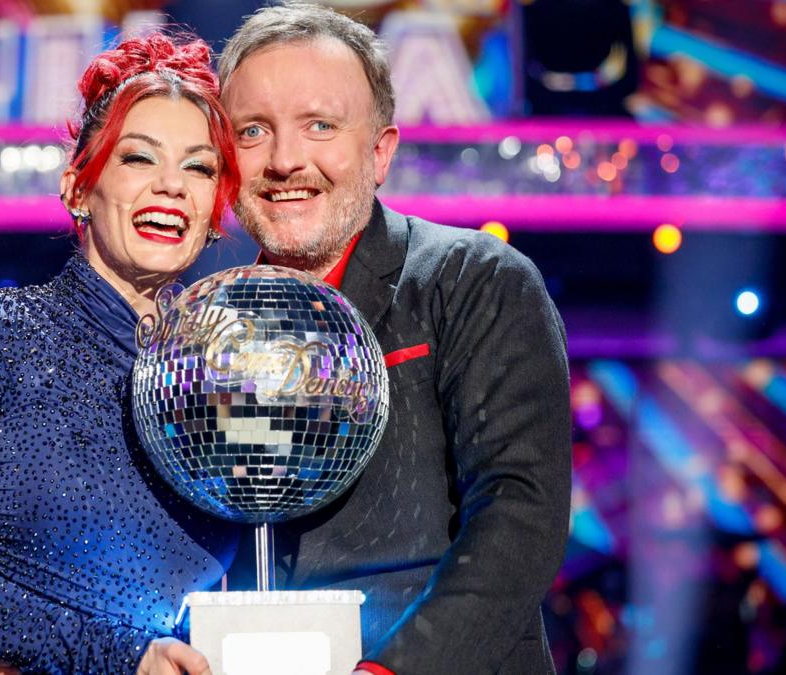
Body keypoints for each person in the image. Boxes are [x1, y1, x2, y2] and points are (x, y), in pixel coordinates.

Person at [215, 4, 572, 674]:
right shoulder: (207, 330)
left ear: (380, 152)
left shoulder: (474, 279)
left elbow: (520, 510)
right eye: (253, 131)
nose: (285, 160)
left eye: (320, 125)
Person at [0, 33, 241, 675]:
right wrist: (123, 659)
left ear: (214, 210)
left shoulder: (225, 375)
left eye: (199, 167)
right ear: (79, 188)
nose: (172, 185)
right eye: (139, 158)